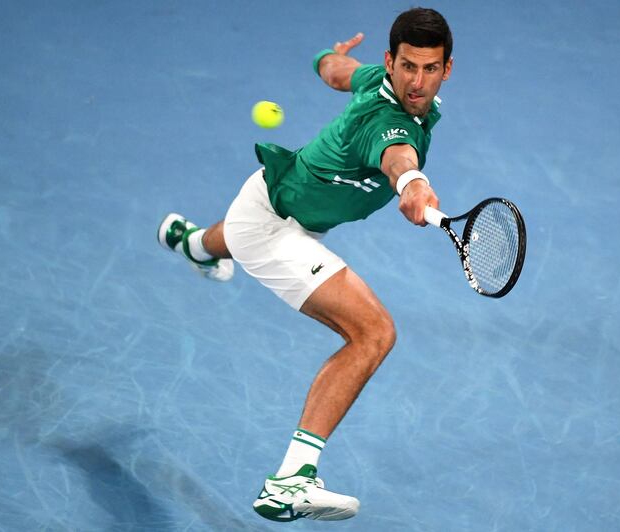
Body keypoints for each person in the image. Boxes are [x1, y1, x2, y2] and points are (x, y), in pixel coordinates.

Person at [157, 7, 453, 522]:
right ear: (391, 61)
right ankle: (290, 480)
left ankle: (193, 244)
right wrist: (413, 184)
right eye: (408, 66)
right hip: (274, 226)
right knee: (374, 334)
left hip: (279, 203)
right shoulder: (388, 124)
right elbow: (398, 157)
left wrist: (330, 54)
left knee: (244, 235)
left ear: (447, 69)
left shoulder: (371, 78)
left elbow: (334, 71)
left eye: (429, 69)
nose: (416, 82)